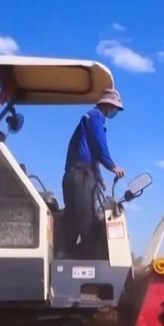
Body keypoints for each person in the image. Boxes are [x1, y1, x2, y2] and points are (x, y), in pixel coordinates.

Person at [61, 88, 126, 258]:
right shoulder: (95, 116)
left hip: (82, 173)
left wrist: (99, 178)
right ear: (108, 105)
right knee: (85, 219)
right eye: (115, 109)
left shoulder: (92, 119)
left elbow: (92, 154)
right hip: (80, 174)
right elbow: (98, 144)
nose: (115, 112)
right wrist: (112, 166)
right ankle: (82, 256)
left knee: (80, 214)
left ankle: (75, 252)